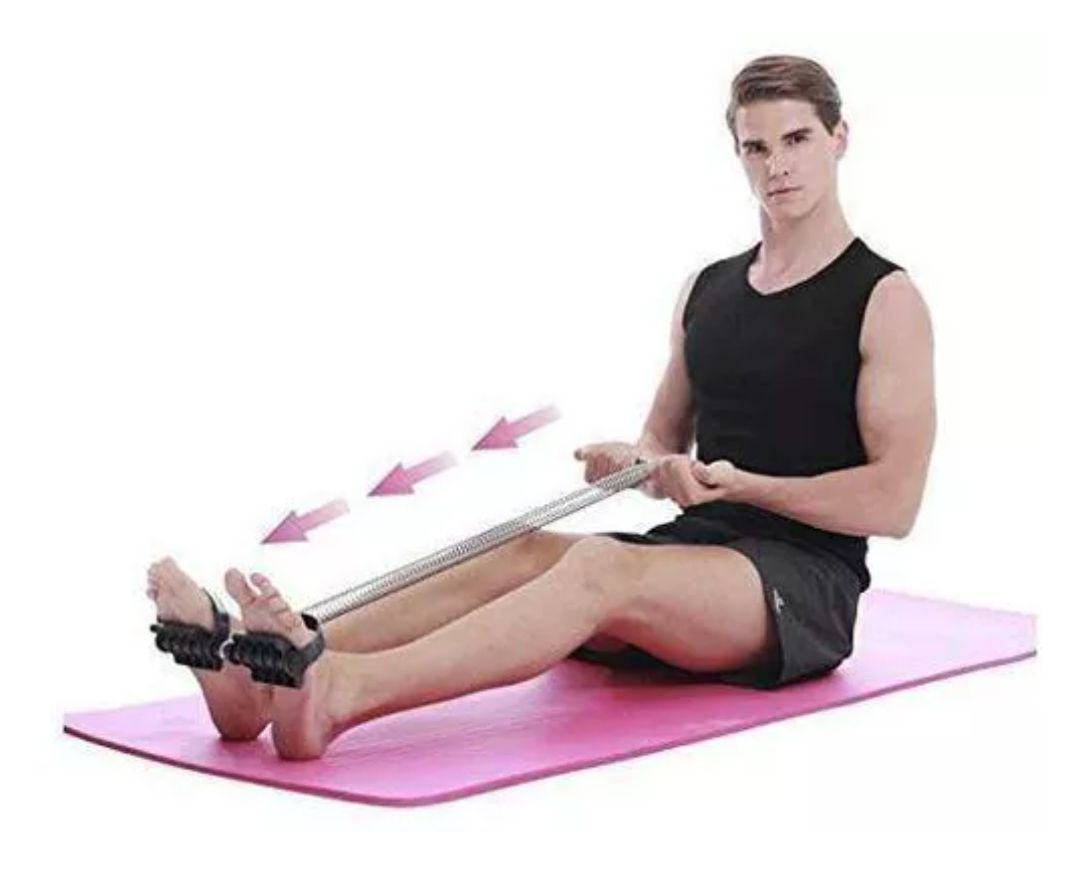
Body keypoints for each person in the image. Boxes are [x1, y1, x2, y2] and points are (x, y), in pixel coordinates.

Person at [145, 54, 935, 760]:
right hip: (697, 554)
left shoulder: (882, 297)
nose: (777, 166)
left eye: (797, 140)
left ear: (839, 139)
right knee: (518, 550)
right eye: (755, 148)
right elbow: (662, 440)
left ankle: (341, 695)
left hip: (803, 585)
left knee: (597, 565)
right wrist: (637, 463)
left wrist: (743, 485)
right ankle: (261, 677)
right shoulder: (710, 289)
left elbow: (893, 504)